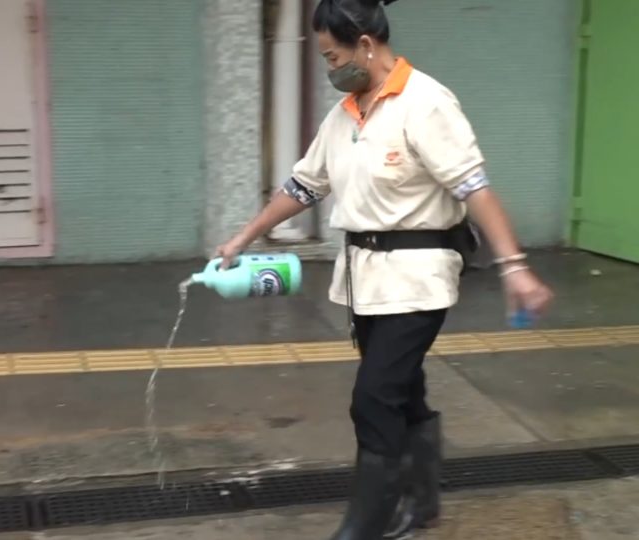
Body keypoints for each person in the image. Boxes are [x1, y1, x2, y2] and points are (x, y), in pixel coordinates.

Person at [215, 0, 554, 538]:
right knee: (402, 390)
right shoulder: (346, 112)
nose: (330, 69)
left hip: (418, 277)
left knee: (373, 397)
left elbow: (473, 186)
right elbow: (304, 186)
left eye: (332, 56)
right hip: (364, 279)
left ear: (366, 45)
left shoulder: (425, 102)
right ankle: (421, 503)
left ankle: (368, 524)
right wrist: (242, 237)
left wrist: (515, 265)